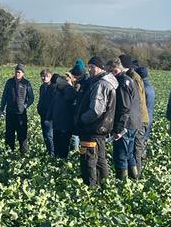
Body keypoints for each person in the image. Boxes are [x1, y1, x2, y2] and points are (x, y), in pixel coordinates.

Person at [75, 56, 117, 188]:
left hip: (93, 128)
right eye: (89, 66)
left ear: (100, 68)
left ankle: (91, 188)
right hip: (100, 129)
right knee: (100, 160)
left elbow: (95, 111)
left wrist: (82, 119)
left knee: (89, 160)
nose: (90, 69)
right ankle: (105, 187)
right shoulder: (104, 82)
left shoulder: (100, 84)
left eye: (92, 67)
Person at [109, 58, 142, 180]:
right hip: (133, 123)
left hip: (126, 125)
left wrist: (118, 129)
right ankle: (135, 179)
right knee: (129, 155)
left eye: (112, 71)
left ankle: (122, 184)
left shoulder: (122, 82)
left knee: (120, 155)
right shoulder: (128, 80)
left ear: (117, 70)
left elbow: (124, 108)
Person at [119, 54, 149, 176]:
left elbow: (135, 100)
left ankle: (137, 176)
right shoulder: (132, 76)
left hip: (138, 119)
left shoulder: (133, 78)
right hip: (137, 118)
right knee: (132, 151)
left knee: (135, 151)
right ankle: (134, 176)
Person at [0, 62, 34, 154]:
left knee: (22, 135)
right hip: (10, 113)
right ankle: (9, 153)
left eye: (19, 72)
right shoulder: (9, 82)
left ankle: (23, 154)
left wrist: (25, 106)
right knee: (9, 134)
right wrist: (1, 109)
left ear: (23, 73)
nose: (17, 73)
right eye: (16, 71)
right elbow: (4, 96)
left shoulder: (26, 83)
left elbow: (31, 98)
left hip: (21, 114)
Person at [133, 60, 156, 165]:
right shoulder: (150, 87)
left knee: (139, 144)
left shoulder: (144, 88)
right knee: (143, 140)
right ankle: (143, 159)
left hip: (143, 118)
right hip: (149, 117)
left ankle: (141, 162)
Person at [50, 71, 78, 159]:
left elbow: (70, 101)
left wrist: (68, 86)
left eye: (60, 84)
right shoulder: (57, 92)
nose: (58, 86)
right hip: (57, 123)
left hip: (65, 125)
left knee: (64, 147)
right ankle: (57, 161)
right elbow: (53, 106)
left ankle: (62, 162)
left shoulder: (69, 91)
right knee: (57, 146)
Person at [36, 69, 55, 155]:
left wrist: (50, 113)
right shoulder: (42, 87)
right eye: (43, 76)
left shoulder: (53, 87)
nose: (44, 78)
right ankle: (49, 151)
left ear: (50, 77)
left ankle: (52, 153)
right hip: (43, 114)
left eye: (47, 76)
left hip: (50, 115)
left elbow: (53, 102)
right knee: (45, 135)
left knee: (49, 135)